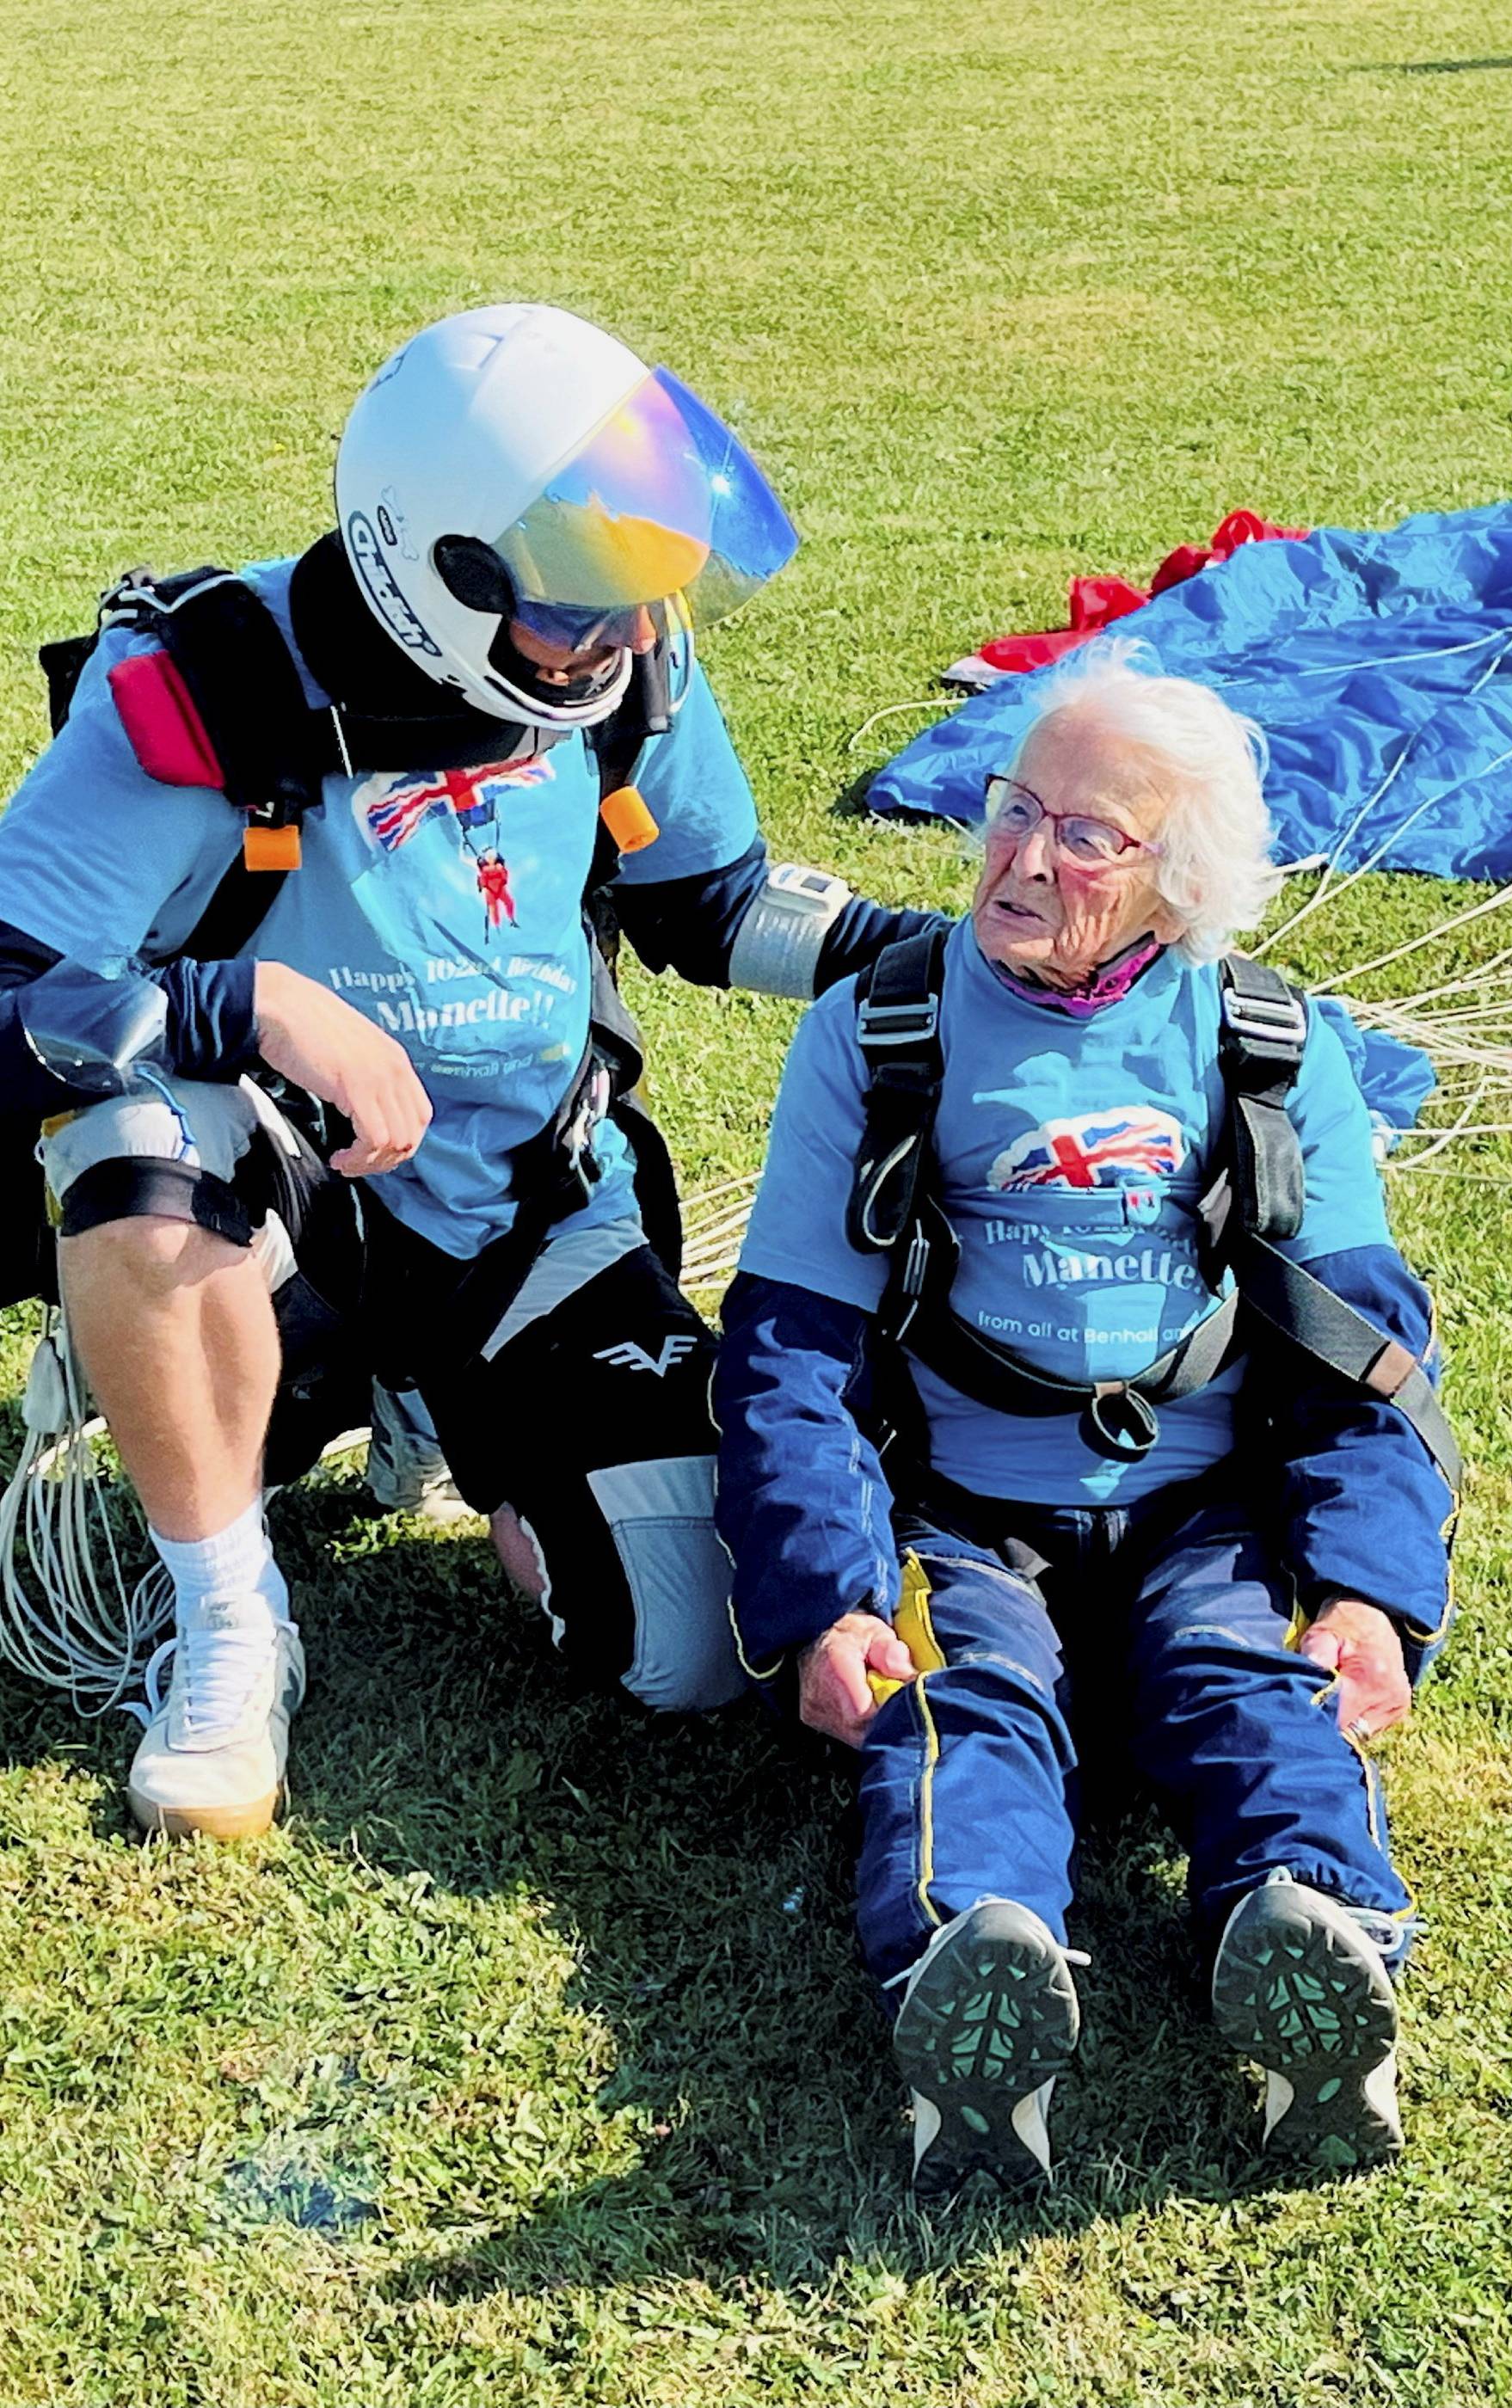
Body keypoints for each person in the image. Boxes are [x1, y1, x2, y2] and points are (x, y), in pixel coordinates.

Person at [0, 303, 938, 1839]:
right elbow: (10, 984)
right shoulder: (206, 691)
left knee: (687, 1636)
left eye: (638, 590)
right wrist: (254, 1009)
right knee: (128, 1123)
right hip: (274, 1209)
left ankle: (429, 1399)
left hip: (519, 1211)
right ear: (435, 569)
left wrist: (935, 957)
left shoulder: (626, 671)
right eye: (581, 601)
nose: (626, 634)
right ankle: (231, 1615)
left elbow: (707, 903)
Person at [713, 645, 1460, 2194]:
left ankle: (1316, 1944)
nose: (1020, 854)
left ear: (1176, 887)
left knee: (1250, 1690)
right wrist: (823, 1602)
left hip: (1204, 1516)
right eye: (1012, 805)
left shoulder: (1266, 1045)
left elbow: (1357, 1346)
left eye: (1086, 833)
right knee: (963, 1709)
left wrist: (1374, 1594)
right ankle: (972, 1981)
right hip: (967, 1520)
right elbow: (793, 1342)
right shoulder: (886, 1029)